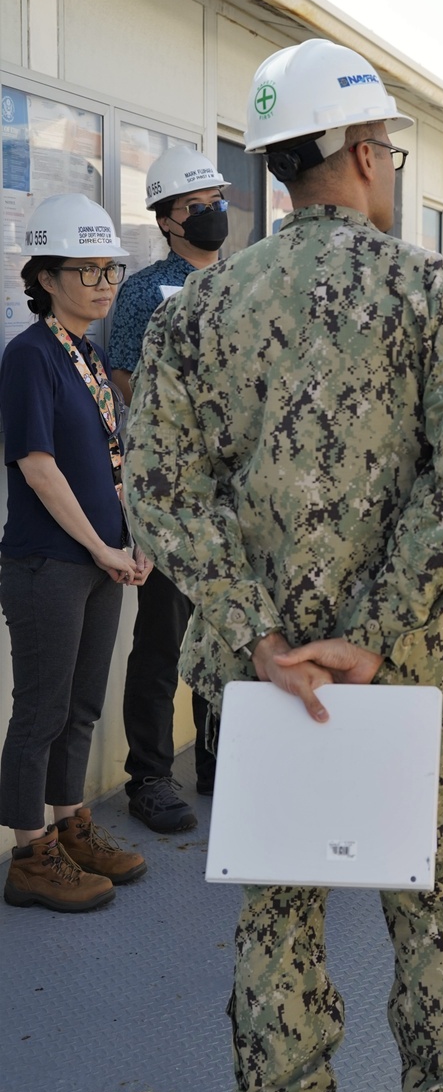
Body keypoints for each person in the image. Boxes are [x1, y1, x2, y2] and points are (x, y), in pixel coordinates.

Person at [123, 39, 443, 1092]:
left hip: (266, 682)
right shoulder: (437, 292)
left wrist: (255, 631)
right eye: (386, 147)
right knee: (439, 901)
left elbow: (160, 487)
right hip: (414, 676)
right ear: (355, 149)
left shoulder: (202, 310)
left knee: (279, 912)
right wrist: (381, 631)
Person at [1, 195, 147, 913]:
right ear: (46, 277)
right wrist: (98, 545)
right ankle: (31, 858)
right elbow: (38, 466)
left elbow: (108, 463)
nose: (102, 283)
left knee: (83, 705)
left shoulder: (85, 353)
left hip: (98, 561)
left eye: (109, 269)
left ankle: (69, 826)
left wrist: (128, 542)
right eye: (85, 270)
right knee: (41, 711)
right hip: (46, 566)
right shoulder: (29, 356)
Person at [107, 147, 231, 832]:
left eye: (218, 198)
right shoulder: (143, 290)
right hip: (171, 492)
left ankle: (218, 759)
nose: (215, 212)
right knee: (163, 637)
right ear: (168, 219)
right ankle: (150, 776)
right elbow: (124, 376)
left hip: (234, 496)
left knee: (230, 630)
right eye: (198, 204)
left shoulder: (249, 280)